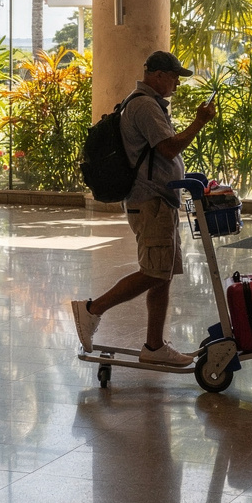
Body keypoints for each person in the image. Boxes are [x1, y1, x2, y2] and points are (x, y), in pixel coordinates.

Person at [68, 52, 217, 368]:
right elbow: (168, 148)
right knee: (153, 270)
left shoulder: (147, 104)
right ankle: (92, 309)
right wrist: (199, 122)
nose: (177, 83)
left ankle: (154, 345)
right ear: (159, 75)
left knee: (161, 274)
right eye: (175, 76)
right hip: (150, 201)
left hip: (161, 200)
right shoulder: (145, 106)